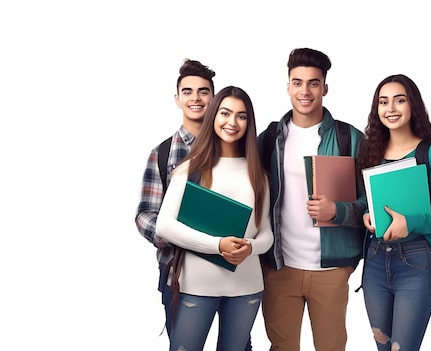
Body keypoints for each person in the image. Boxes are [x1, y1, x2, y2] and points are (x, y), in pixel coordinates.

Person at [257, 47, 366, 351]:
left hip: (332, 270)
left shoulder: (350, 138)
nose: (305, 91)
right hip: (280, 267)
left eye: (313, 83)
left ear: (325, 88)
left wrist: (338, 211)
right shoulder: (268, 139)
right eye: (297, 82)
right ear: (288, 86)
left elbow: (371, 204)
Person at [155, 86, 273, 351]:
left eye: (241, 116)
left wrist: (250, 247)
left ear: (249, 123)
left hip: (246, 287)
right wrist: (217, 246)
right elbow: (164, 225)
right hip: (197, 285)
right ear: (213, 117)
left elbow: (266, 234)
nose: (232, 122)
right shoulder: (190, 168)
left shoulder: (259, 175)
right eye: (225, 113)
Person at [355, 74, 431, 351]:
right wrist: (367, 214)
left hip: (416, 262)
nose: (391, 109)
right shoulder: (372, 150)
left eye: (399, 100)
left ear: (413, 105)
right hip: (375, 261)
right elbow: (369, 199)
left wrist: (409, 223)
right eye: (383, 102)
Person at [135, 58, 216, 336]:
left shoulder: (235, 147)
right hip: (178, 272)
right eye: (188, 92)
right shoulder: (162, 153)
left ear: (214, 98)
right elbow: (145, 215)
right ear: (177, 99)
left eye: (203, 91)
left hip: (231, 272)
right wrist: (179, 234)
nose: (196, 98)